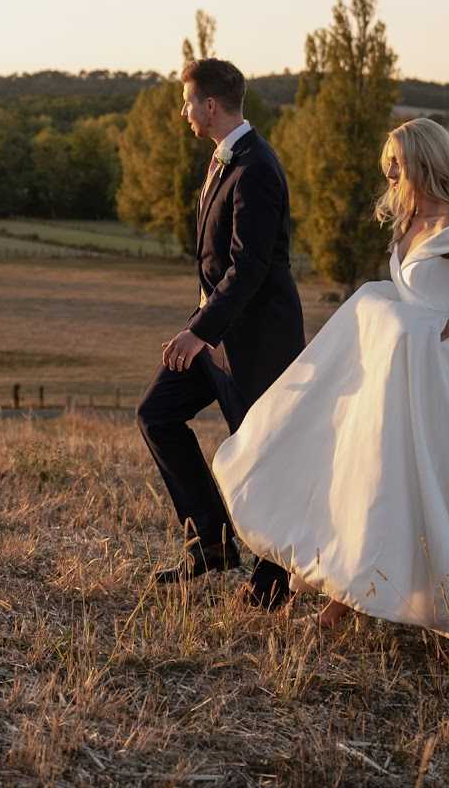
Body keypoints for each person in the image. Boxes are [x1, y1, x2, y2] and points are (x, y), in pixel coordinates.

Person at [212, 117, 449, 657]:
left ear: (423, 161)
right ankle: (348, 598)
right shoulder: (410, 221)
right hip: (396, 377)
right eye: (387, 163)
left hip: (435, 378)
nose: (389, 173)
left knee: (429, 489)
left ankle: (365, 608)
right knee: (373, 480)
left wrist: (444, 329)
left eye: (396, 162)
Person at [137, 56, 306, 609]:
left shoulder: (256, 166)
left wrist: (200, 331)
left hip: (253, 342)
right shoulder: (224, 160)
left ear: (210, 106)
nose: (183, 111)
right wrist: (200, 328)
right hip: (214, 334)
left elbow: (250, 265)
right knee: (157, 413)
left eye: (188, 102)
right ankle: (209, 542)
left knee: (260, 453)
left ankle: (273, 579)